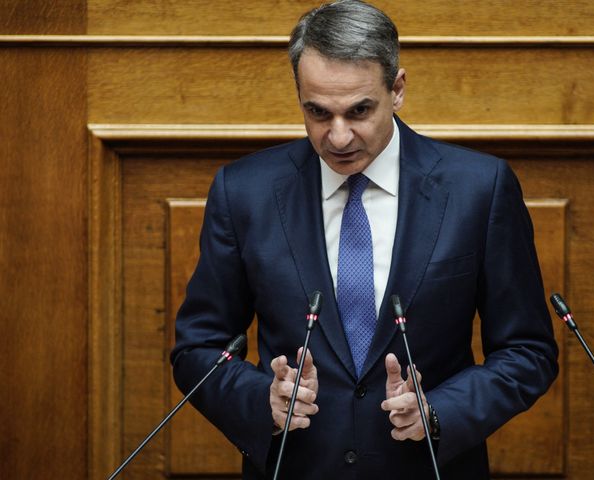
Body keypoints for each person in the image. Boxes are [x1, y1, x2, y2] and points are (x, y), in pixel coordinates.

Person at [171, 1, 558, 478]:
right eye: (317, 112)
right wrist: (261, 401)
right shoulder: (245, 192)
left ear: (396, 89)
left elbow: (527, 352)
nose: (337, 137)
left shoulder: (479, 188)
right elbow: (198, 349)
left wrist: (439, 412)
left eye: (359, 111)